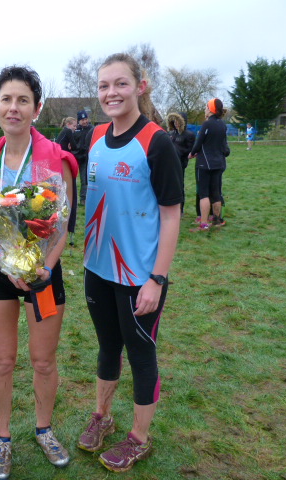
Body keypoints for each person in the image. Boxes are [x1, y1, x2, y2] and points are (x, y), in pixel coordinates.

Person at [0, 65, 78, 480]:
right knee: (2, 361)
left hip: (44, 273)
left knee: (43, 361)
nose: (13, 107)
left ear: (36, 108)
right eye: (6, 99)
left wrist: (40, 268)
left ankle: (44, 429)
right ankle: (2, 439)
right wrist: (6, 260)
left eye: (23, 100)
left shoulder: (56, 156)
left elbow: (65, 222)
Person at [78, 53, 183, 473]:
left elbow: (172, 215)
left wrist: (157, 278)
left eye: (120, 84)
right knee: (107, 348)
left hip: (139, 276)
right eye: (104, 86)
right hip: (96, 268)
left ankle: (139, 438)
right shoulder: (96, 135)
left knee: (141, 354)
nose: (111, 93)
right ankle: (102, 416)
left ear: (140, 86)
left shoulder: (156, 141)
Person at [189, 98, 229, 231]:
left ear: (211, 109)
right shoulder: (223, 125)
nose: (205, 109)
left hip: (205, 165)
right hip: (219, 164)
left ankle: (204, 224)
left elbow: (199, 142)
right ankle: (217, 220)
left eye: (206, 106)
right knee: (216, 192)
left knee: (204, 194)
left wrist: (192, 153)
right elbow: (225, 147)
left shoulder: (207, 124)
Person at [56, 116, 79, 245]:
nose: (75, 129)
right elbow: (74, 145)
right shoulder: (68, 131)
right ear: (69, 124)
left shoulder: (63, 131)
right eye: (74, 126)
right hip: (64, 159)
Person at [166, 112, 195, 214]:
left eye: (178, 121)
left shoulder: (189, 135)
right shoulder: (170, 134)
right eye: (175, 121)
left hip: (179, 164)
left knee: (179, 186)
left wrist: (177, 152)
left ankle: (180, 209)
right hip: (168, 164)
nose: (176, 123)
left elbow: (189, 150)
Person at [73, 110, 93, 205]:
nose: (85, 121)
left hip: (87, 158)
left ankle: (84, 198)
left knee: (85, 179)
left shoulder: (92, 129)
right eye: (82, 120)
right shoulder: (75, 130)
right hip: (76, 157)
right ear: (79, 121)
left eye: (86, 119)